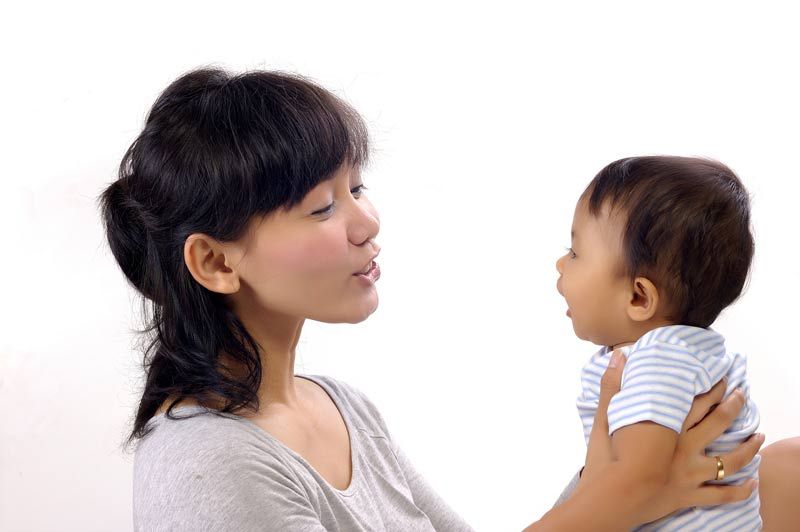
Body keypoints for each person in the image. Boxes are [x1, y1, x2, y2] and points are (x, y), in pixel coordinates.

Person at [98, 67, 783, 531]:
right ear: (215, 261)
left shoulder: (342, 408)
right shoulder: (205, 467)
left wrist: (633, 469)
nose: (366, 223)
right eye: (321, 208)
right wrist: (630, 494)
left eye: (357, 188)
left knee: (783, 470)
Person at [555, 156, 760, 529]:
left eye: (575, 253)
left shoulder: (657, 358)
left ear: (639, 298)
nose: (560, 263)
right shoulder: (693, 350)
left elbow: (637, 480)